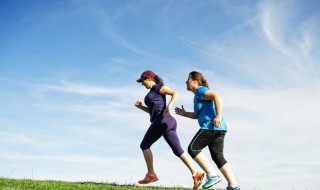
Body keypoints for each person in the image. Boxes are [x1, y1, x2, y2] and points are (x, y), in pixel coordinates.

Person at [135, 70, 204, 189]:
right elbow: (152, 111)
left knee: (144, 145)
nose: (142, 84)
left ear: (150, 79)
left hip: (163, 120)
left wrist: (169, 106)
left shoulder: (158, 87)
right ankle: (196, 173)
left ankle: (151, 174)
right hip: (168, 121)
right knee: (178, 150)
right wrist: (141, 107)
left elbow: (175, 93)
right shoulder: (153, 91)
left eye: (143, 81)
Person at [175, 71, 240, 190]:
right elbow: (197, 115)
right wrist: (184, 114)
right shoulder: (197, 96)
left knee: (193, 148)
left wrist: (218, 115)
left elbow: (217, 96)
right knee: (218, 157)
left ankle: (213, 175)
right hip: (219, 128)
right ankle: (234, 186)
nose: (186, 82)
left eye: (188, 79)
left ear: (195, 81)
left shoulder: (200, 90)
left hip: (211, 126)